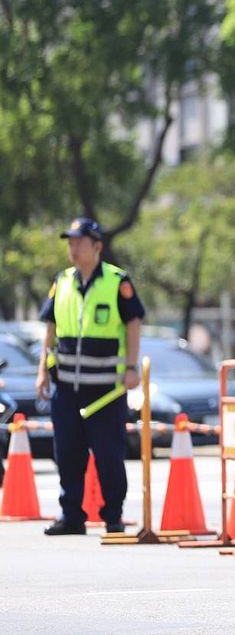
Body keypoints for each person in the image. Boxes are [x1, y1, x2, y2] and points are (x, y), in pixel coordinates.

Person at [36, 218, 144, 535]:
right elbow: (51, 328)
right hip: (67, 387)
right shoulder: (63, 281)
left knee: (109, 454)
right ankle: (72, 516)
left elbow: (133, 323)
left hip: (106, 391)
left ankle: (113, 516)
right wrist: (42, 370)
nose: (73, 247)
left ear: (96, 246)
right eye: (70, 241)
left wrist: (133, 367)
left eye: (79, 241)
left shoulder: (117, 281)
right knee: (67, 453)